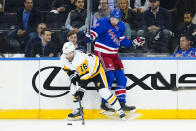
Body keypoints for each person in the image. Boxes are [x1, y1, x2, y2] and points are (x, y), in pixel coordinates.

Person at [86, 8, 144, 113]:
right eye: (112, 18)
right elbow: (93, 34)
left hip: (114, 55)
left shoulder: (121, 25)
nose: (114, 21)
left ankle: (122, 103)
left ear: (119, 19)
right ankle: (104, 103)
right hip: (102, 53)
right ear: (110, 16)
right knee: (110, 76)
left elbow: (121, 40)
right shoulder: (103, 22)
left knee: (122, 77)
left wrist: (133, 43)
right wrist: (89, 37)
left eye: (116, 19)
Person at [60, 41, 126, 120]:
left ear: (73, 52)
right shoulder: (63, 58)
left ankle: (119, 110)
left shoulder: (80, 59)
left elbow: (85, 78)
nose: (68, 56)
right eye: (66, 54)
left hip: (96, 71)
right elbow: (67, 69)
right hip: (83, 72)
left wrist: (81, 91)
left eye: (70, 53)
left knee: (104, 92)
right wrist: (72, 76)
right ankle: (78, 109)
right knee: (73, 86)